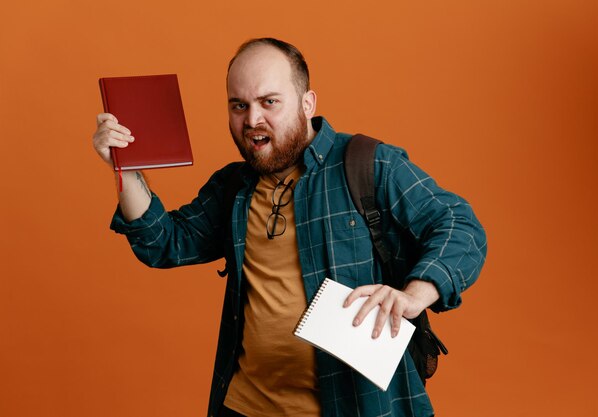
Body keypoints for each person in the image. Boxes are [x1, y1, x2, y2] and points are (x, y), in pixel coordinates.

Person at [92, 38, 487, 417]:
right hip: (245, 406)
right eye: (238, 105)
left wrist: (414, 295)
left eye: (269, 102)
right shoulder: (234, 187)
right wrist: (125, 169)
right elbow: (165, 244)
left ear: (307, 102)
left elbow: (461, 226)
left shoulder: (368, 164)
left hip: (358, 407)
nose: (252, 119)